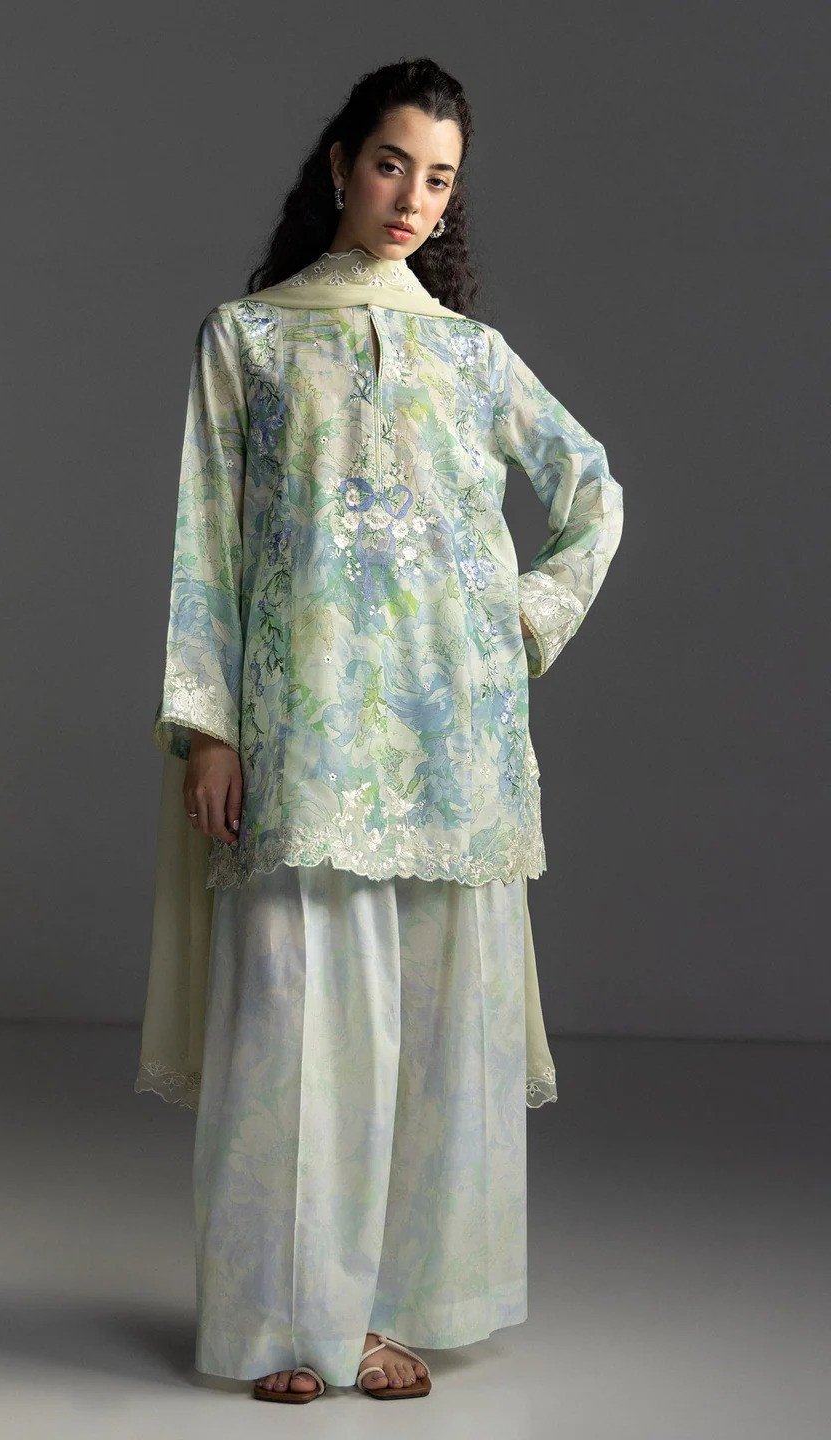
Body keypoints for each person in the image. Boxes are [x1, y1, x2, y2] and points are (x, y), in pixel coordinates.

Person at [134, 57, 624, 1403]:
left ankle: (386, 1312)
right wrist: (211, 727)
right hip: (307, 739)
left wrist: (521, 617)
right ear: (344, 163)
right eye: (395, 162)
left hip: (454, 741)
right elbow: (207, 547)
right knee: (296, 1041)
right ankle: (288, 1324)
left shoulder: (472, 355)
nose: (414, 196)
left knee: (434, 1040)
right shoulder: (247, 340)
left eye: (442, 177)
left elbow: (591, 490)